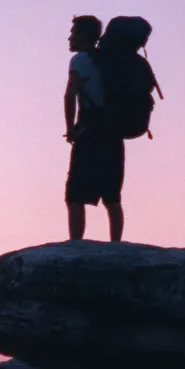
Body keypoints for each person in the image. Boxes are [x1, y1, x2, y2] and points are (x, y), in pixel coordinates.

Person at [64, 15, 125, 242]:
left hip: (89, 133)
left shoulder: (80, 60)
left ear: (83, 35)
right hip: (113, 132)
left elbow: (70, 93)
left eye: (73, 32)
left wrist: (70, 128)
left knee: (75, 194)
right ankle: (116, 246)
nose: (70, 37)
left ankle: (76, 244)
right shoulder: (112, 61)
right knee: (112, 196)